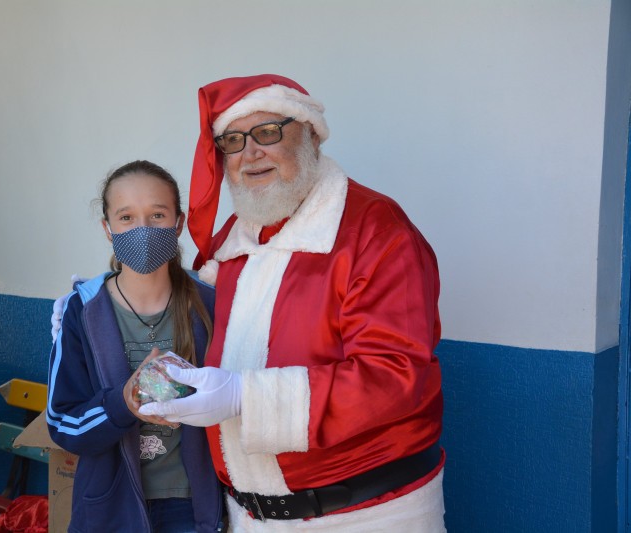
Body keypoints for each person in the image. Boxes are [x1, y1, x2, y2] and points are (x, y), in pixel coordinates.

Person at [139, 74, 446, 532]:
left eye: (268, 132)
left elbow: (393, 376)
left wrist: (244, 396)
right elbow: (195, 331)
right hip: (248, 515)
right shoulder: (234, 239)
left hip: (367, 515)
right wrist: (100, 307)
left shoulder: (376, 231)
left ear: (310, 135)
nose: (250, 153)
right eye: (234, 141)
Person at [46, 160, 223, 533]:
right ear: (108, 229)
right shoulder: (83, 311)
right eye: (126, 218)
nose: (142, 229)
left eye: (157, 215)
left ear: (178, 223)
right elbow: (62, 423)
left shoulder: (210, 304)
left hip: (193, 506)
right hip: (110, 507)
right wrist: (123, 403)